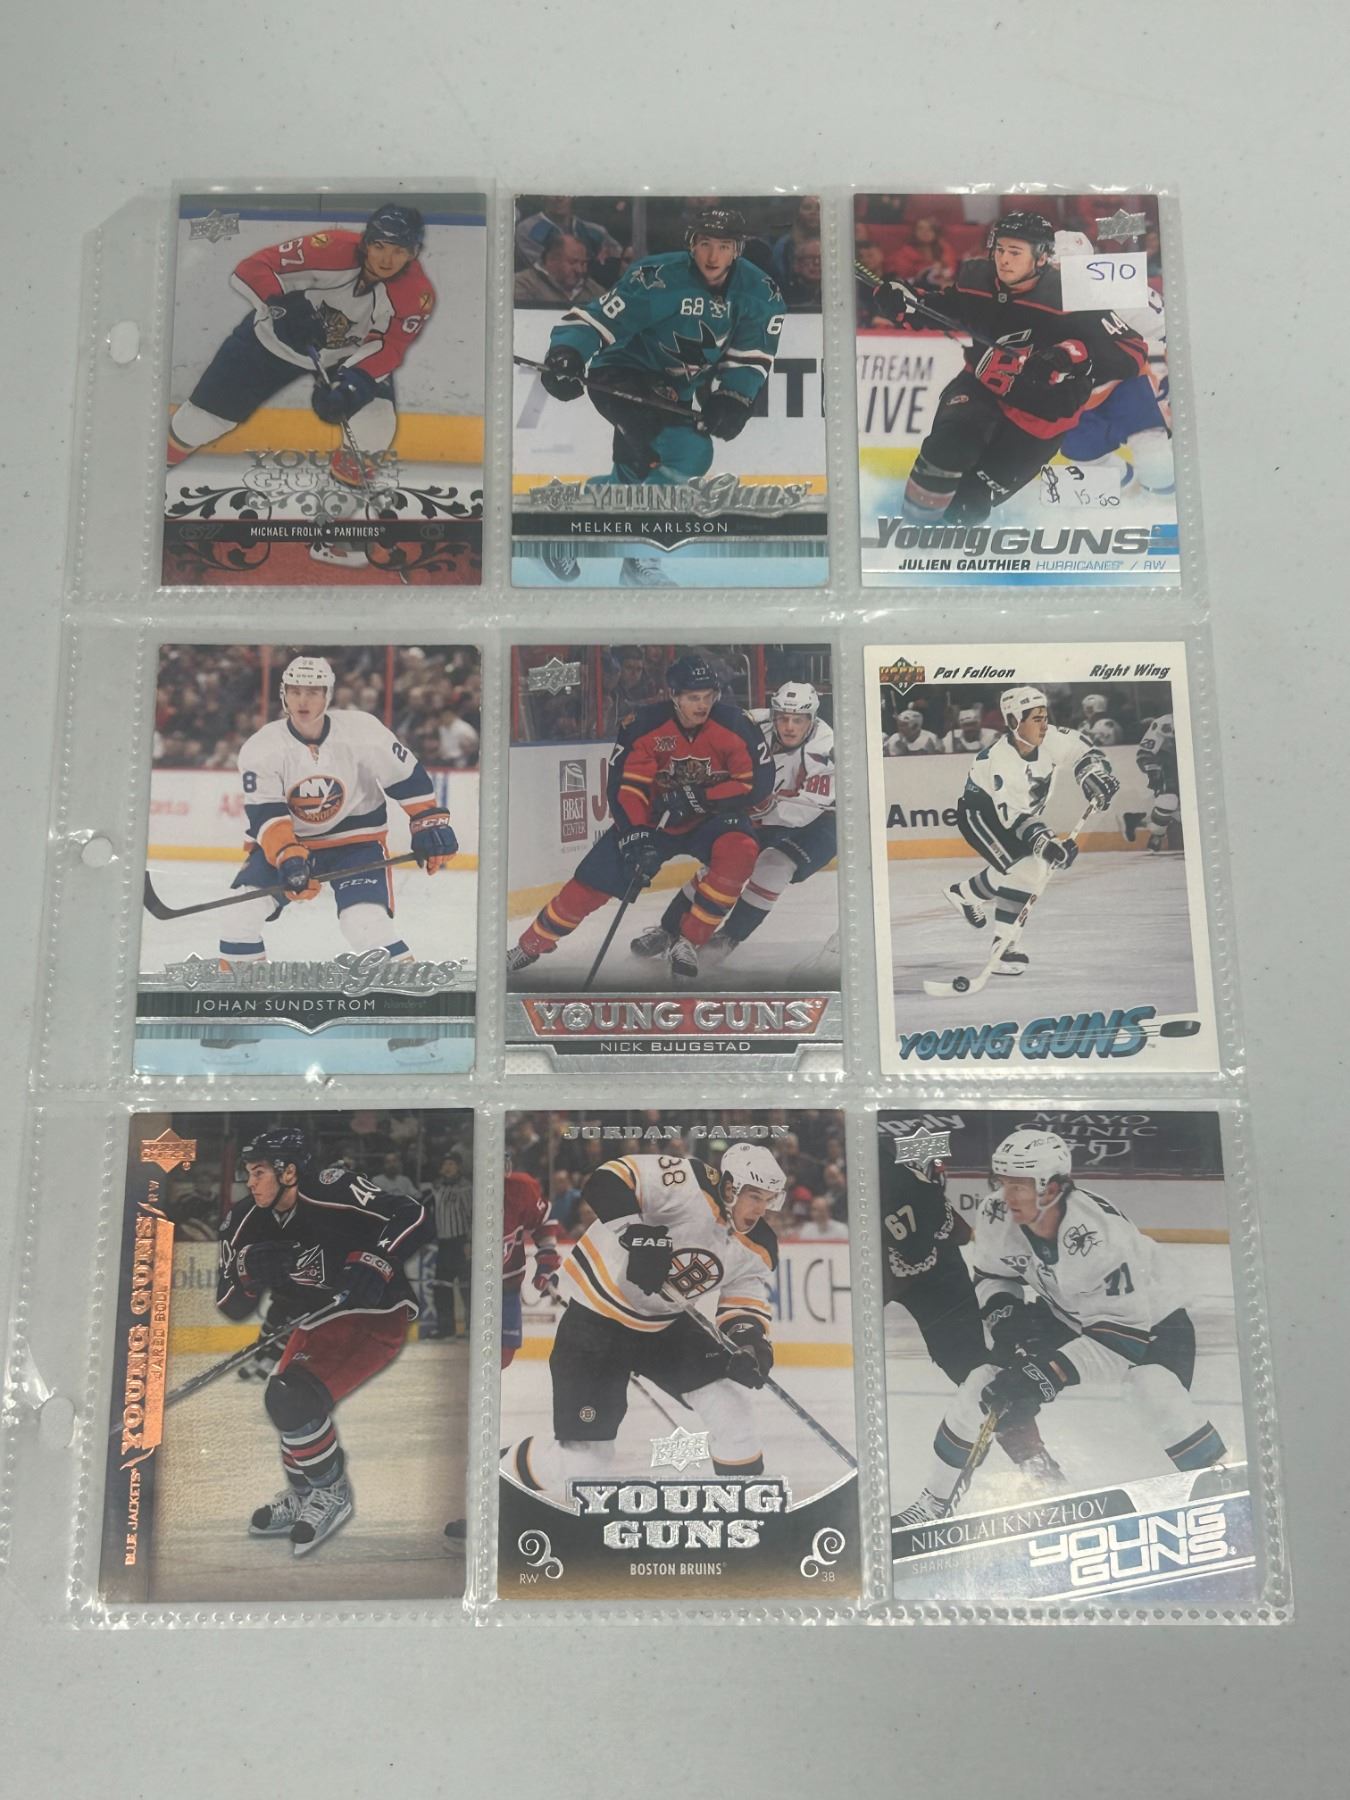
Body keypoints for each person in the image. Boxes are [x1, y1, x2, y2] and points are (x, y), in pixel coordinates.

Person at [894, 1128, 1227, 1523]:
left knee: (1152, 1388)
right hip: (1067, 1313)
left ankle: (1220, 1484)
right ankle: (939, 1504)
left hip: (1152, 1325)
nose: (1006, 1195)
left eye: (1019, 1185)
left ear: (1052, 1188)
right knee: (985, 1382)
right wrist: (1006, 1319)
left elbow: (1122, 1340)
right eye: (1002, 1182)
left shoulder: (1100, 1237)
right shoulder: (996, 1213)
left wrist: (1046, 1374)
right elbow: (992, 1276)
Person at [503, 1144, 785, 1500]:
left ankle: (744, 1504)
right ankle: (496, 1476)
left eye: (768, 1200)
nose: (761, 1210)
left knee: (732, 1407)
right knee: (584, 1462)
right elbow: (606, 1180)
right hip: (596, 1323)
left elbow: (743, 1304)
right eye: (755, 1197)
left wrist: (750, 1344)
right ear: (730, 1187)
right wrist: (638, 1235)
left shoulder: (760, 1246)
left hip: (665, 1328)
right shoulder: (686, 1181)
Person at [167, 205, 434, 570]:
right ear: (366, 242)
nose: (387, 259)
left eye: (399, 250)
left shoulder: (416, 294)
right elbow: (252, 268)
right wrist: (284, 307)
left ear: (414, 253)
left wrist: (353, 383)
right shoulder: (331, 248)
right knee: (197, 424)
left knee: (375, 426)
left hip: (345, 357)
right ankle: (148, 478)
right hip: (269, 343)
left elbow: (390, 346)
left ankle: (328, 532)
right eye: (380, 246)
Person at [536, 207, 786, 587]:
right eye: (705, 244)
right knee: (689, 451)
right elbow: (601, 318)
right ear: (691, 244)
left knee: (635, 472)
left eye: (723, 246)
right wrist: (567, 353)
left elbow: (751, 357)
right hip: (621, 375)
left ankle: (564, 524)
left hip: (674, 390)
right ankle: (641, 553)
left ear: (738, 249)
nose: (713, 256)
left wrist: (734, 397)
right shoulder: (657, 278)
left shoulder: (759, 292)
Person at [216, 1126, 432, 1555]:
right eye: (247, 1173)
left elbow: (413, 1214)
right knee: (287, 1404)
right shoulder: (243, 1220)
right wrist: (245, 1271)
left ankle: (331, 1492)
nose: (250, 1183)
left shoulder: (332, 1188)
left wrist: (377, 1259)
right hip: (316, 1322)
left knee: (291, 1399)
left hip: (372, 1315)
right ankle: (304, 1495)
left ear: (289, 1172)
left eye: (259, 1172)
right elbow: (232, 1305)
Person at [867, 211, 1149, 525]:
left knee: (970, 505)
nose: (1003, 259)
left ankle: (947, 538)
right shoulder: (978, 280)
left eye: (1015, 252)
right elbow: (943, 309)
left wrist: (1067, 356)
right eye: (1000, 249)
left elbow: (1133, 352)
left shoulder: (1072, 298)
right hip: (981, 389)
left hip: (1040, 420)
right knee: (946, 450)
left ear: (1041, 257)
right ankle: (910, 529)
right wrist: (905, 303)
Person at [506, 655, 773, 982]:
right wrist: (636, 836)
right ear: (674, 695)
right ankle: (531, 944)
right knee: (590, 884)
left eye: (708, 696)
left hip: (713, 818)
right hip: (654, 819)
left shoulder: (736, 725)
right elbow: (628, 787)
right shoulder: (644, 725)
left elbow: (755, 785)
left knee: (740, 852)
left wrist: (698, 798)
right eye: (693, 697)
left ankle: (688, 942)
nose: (703, 705)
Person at [218, 655, 458, 970]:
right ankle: (242, 991)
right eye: (295, 691)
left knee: (364, 924)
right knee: (239, 917)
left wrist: (427, 823)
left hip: (355, 846)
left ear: (328, 695)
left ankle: (403, 986)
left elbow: (406, 777)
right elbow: (266, 813)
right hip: (291, 845)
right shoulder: (261, 747)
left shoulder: (363, 731)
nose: (302, 700)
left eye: (313, 692)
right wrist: (288, 856)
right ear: (283, 694)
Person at [880, 1129, 1060, 1483]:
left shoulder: (895, 1172)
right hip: (927, 1270)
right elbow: (960, 1233)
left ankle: (1034, 1461)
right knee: (974, 1368)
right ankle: (1035, 1463)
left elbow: (960, 1235)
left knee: (976, 1371)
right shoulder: (912, 1182)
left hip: (922, 1272)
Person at [635, 680, 835, 957]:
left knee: (774, 866)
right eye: (783, 718)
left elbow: (806, 810)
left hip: (821, 823)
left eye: (798, 720)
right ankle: (668, 930)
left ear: (812, 720)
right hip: (765, 812)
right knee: (723, 865)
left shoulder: (823, 749)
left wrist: (756, 805)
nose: (789, 727)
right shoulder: (754, 726)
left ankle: (728, 938)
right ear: (774, 714)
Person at [942, 686, 1118, 977]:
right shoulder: (1000, 760)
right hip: (981, 816)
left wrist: (1093, 774)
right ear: (1014, 721)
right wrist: (1047, 845)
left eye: (1044, 717)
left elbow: (1086, 752)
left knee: (1020, 866)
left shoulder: (1051, 739)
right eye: (1036, 719)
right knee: (1028, 868)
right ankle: (1004, 947)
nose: (1044, 724)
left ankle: (965, 893)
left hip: (1017, 815)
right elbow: (1014, 818)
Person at [501, 1162, 561, 1369]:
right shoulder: (467, 1193)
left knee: (504, 1354)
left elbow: (542, 1222)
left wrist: (546, 1262)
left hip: (507, 1285)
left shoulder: (520, 1188)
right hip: (471, 1289)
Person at [427, 1152, 474, 1339]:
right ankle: (446, 1328)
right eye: (445, 1164)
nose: (448, 1167)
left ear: (459, 1167)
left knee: (466, 1287)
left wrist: (470, 1241)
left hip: (460, 1242)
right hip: (444, 1243)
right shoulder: (437, 1187)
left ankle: (472, 1328)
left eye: (452, 1164)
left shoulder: (465, 1187)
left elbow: (472, 1214)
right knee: (441, 1287)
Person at [513, 233, 604, 307]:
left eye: (583, 263)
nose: (580, 270)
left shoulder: (593, 289)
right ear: (552, 260)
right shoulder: (522, 284)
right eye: (573, 262)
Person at [1136, 715, 1181, 851]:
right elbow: (1144, 753)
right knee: (1168, 801)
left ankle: (1145, 823)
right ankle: (1157, 833)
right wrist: (1153, 770)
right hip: (1171, 768)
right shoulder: (1164, 723)